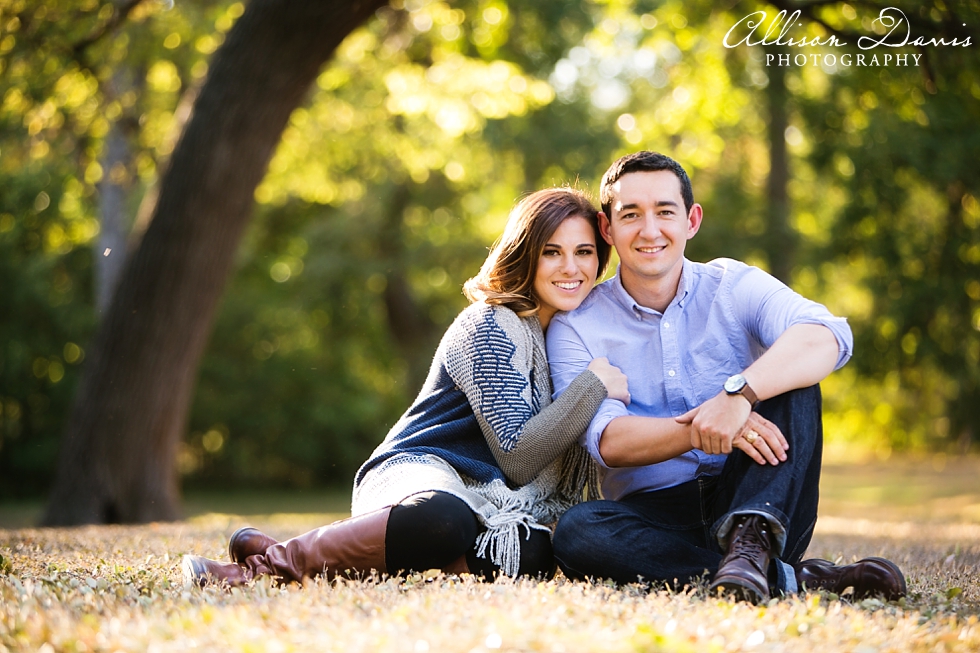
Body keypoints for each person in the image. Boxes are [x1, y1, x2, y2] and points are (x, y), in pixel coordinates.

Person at [182, 187, 629, 586]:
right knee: (445, 519)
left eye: (584, 252)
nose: (571, 267)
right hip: (419, 474)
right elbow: (518, 456)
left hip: (493, 500)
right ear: (525, 255)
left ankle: (375, 547)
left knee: (528, 553)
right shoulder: (490, 324)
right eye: (552, 252)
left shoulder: (564, 342)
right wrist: (594, 385)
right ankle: (266, 566)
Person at [546, 151, 906, 603]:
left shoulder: (733, 285)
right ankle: (782, 577)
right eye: (631, 214)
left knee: (794, 378)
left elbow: (827, 335)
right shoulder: (575, 325)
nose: (650, 230)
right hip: (655, 515)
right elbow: (610, 442)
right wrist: (704, 430)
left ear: (692, 220)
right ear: (607, 229)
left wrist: (737, 397)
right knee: (578, 533)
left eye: (665, 212)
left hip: (758, 491)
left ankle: (751, 543)